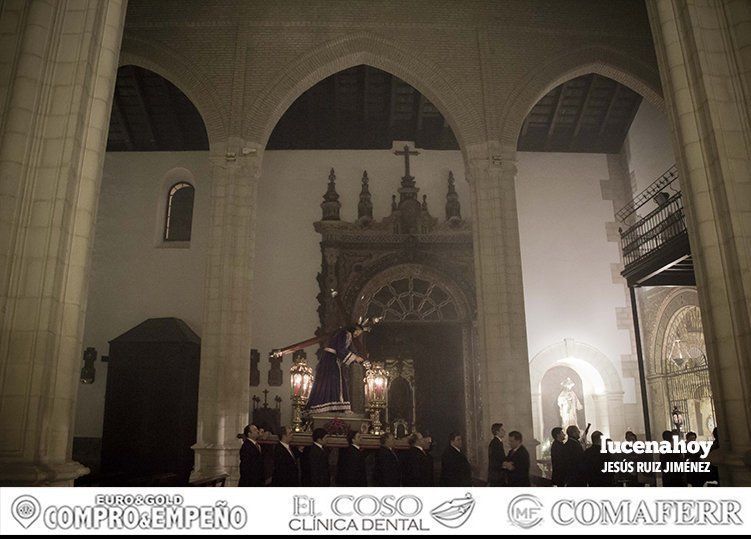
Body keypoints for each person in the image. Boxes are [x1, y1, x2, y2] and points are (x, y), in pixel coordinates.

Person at [306, 325, 367, 415]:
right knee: (336, 380)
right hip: (331, 359)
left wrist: (358, 358)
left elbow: (349, 350)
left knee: (332, 381)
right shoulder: (345, 333)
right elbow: (340, 349)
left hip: (331, 359)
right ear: (354, 328)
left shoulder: (345, 335)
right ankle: (332, 404)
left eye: (359, 334)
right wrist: (355, 358)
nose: (357, 334)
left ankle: (332, 404)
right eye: (357, 331)